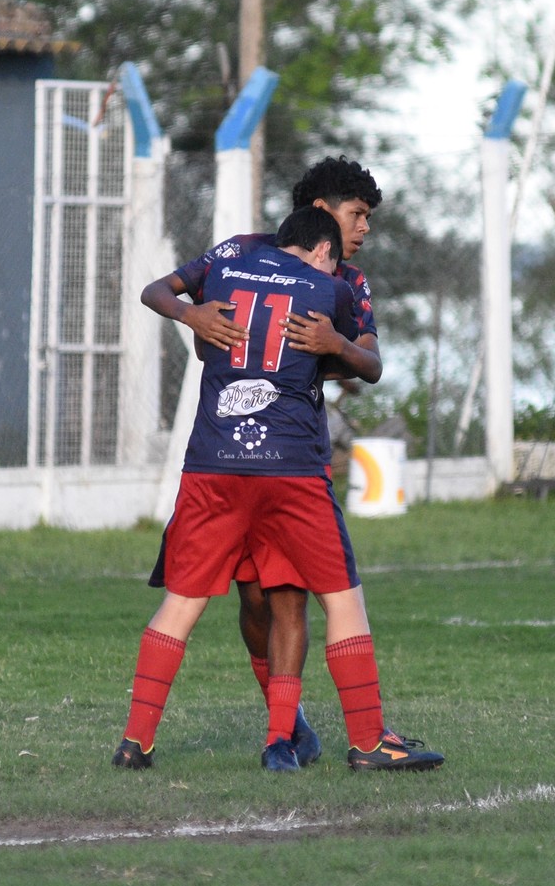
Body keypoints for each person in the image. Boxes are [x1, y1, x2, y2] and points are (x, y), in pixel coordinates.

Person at [113, 205, 442, 773]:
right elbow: (363, 366)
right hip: (290, 468)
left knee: (182, 603)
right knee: (341, 599)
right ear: (322, 243)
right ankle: (366, 741)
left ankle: (136, 741)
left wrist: (194, 320)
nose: (358, 234)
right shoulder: (333, 288)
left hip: (213, 462)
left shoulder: (229, 263)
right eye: (355, 220)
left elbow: (188, 325)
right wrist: (331, 345)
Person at [143, 157, 389, 768]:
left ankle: (281, 736)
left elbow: (367, 362)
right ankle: (296, 722)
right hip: (230, 458)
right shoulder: (239, 252)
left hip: (293, 456)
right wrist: (194, 319)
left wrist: (332, 350)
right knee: (253, 602)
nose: (364, 231)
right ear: (325, 213)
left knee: (288, 597)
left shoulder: (348, 285)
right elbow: (170, 299)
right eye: (358, 216)